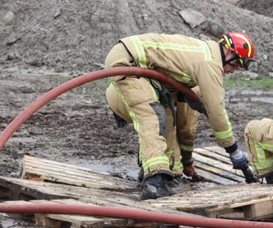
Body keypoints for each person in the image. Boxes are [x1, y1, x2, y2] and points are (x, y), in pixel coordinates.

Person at [104, 32, 256, 200]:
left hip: (141, 69)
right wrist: (233, 150)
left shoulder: (203, 57)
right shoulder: (210, 64)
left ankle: (159, 173)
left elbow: (185, 117)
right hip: (128, 60)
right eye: (236, 65)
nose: (233, 71)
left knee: (167, 118)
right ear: (229, 52)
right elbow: (216, 111)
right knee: (152, 115)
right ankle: (154, 182)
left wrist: (183, 164)